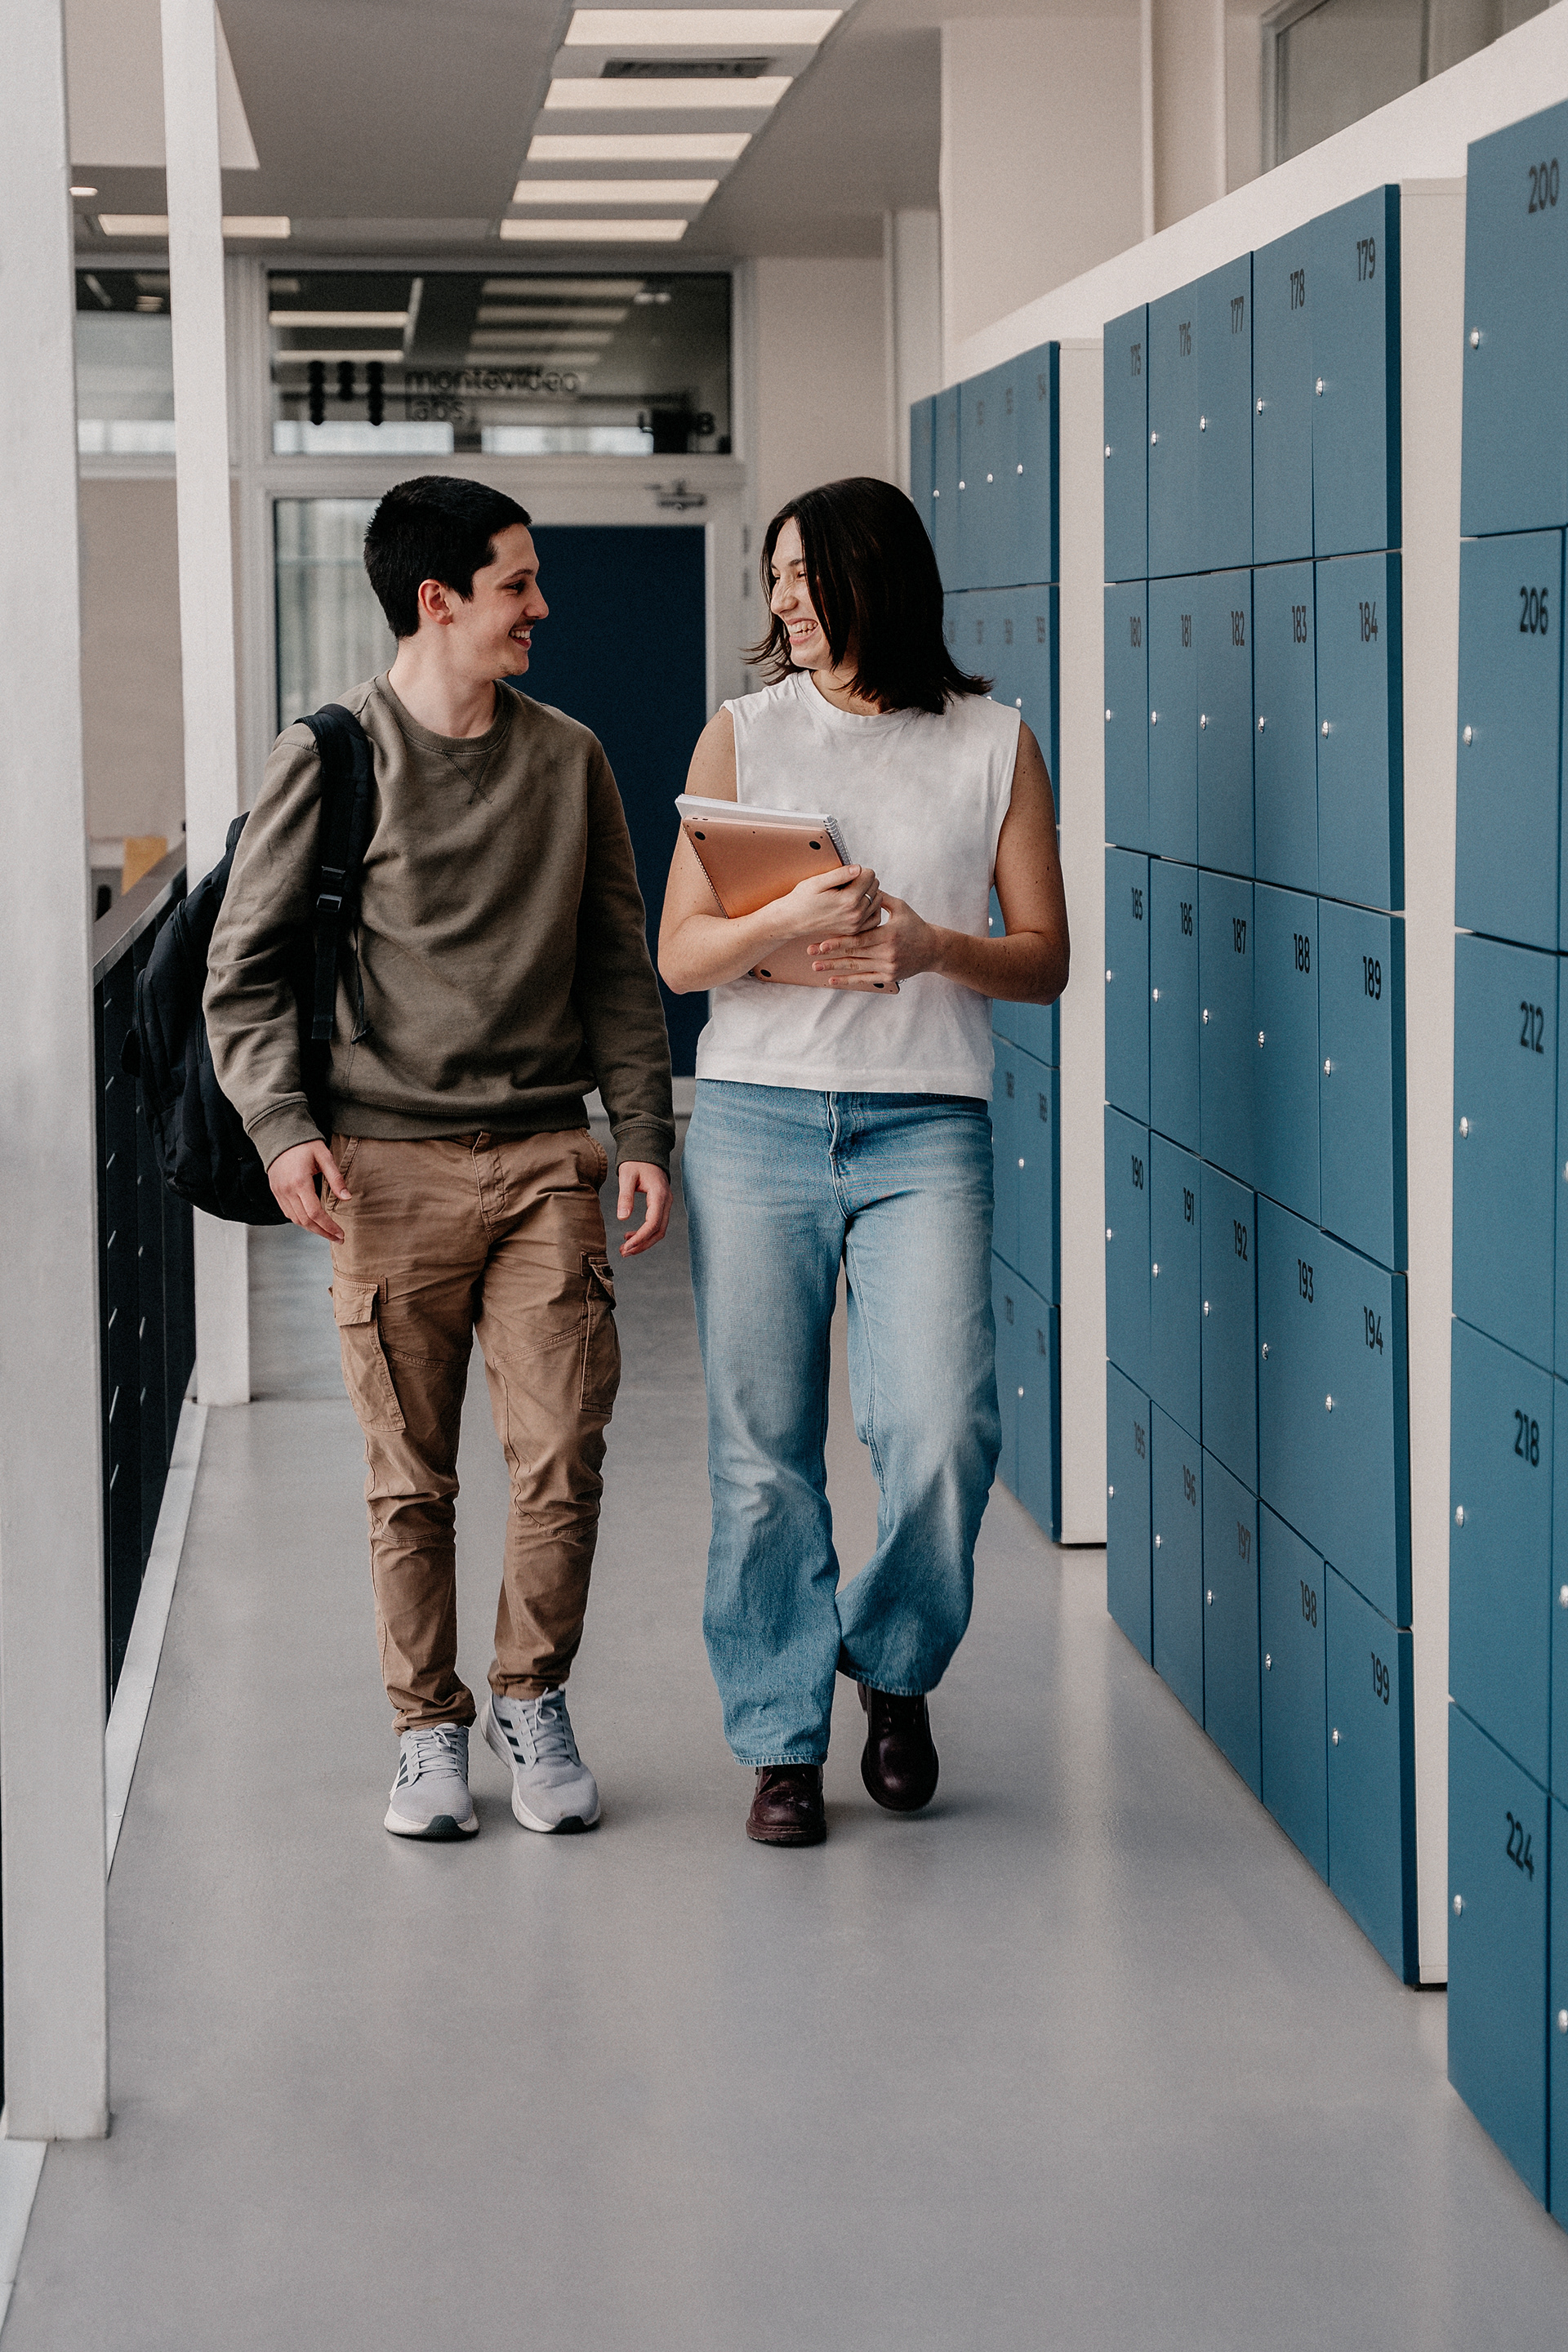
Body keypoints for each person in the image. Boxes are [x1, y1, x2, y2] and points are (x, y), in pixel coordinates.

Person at [206, 475, 675, 1842]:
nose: (541, 607)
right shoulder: (330, 756)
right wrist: (284, 1130)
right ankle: (426, 1730)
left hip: (544, 1161)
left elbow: (616, 962)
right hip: (384, 1168)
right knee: (409, 1478)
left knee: (563, 1453)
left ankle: (533, 1696)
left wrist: (643, 1131)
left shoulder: (570, 759)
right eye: (518, 583)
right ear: (439, 600)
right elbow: (243, 971)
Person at [659, 474, 1069, 1849]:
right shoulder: (745, 734)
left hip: (924, 1124)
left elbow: (1046, 959)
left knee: (942, 1431)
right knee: (762, 1455)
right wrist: (787, 920)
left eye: (803, 574)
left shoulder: (995, 744)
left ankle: (893, 1665)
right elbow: (681, 955)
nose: (782, 600)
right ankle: (782, 1742)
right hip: (758, 1121)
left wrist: (936, 945)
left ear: (873, 578)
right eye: (774, 577)